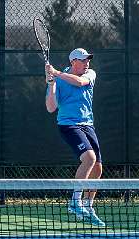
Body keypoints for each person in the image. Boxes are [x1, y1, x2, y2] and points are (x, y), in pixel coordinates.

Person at [45, 48, 105, 227]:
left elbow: (79, 83)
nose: (87, 63)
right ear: (73, 62)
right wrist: (51, 84)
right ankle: (75, 201)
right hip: (68, 125)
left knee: (97, 168)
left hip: (88, 125)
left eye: (88, 60)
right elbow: (51, 107)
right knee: (89, 158)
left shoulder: (90, 74)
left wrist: (56, 74)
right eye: (83, 60)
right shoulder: (60, 80)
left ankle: (88, 207)